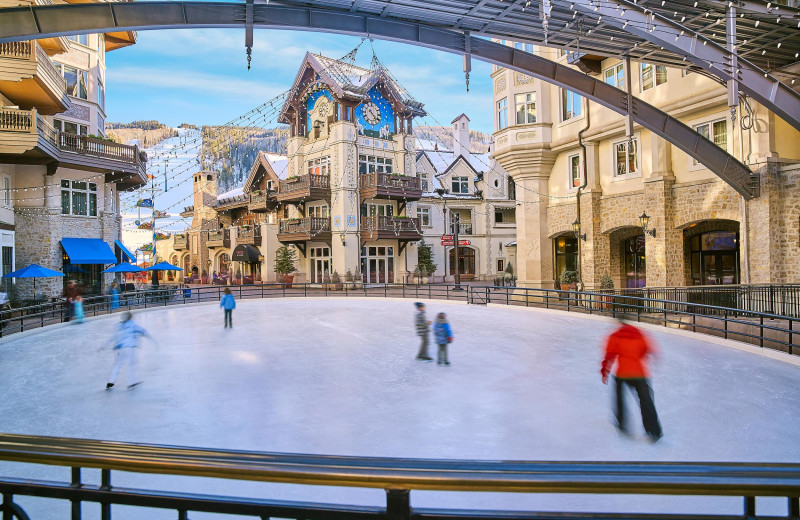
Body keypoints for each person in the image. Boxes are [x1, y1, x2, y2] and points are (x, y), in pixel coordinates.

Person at [601, 319, 663, 442]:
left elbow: (609, 355)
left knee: (619, 397)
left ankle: (622, 423)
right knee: (646, 402)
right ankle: (653, 431)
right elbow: (647, 349)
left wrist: (605, 372)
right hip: (640, 374)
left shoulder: (615, 335)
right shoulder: (640, 334)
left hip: (622, 373)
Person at [105, 311, 153, 390]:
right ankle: (131, 382)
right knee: (132, 364)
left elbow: (113, 336)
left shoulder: (119, 325)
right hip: (130, 347)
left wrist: (105, 345)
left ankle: (110, 381)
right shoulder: (132, 324)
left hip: (120, 347)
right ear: (130, 318)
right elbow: (143, 330)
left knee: (117, 364)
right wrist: (150, 337)